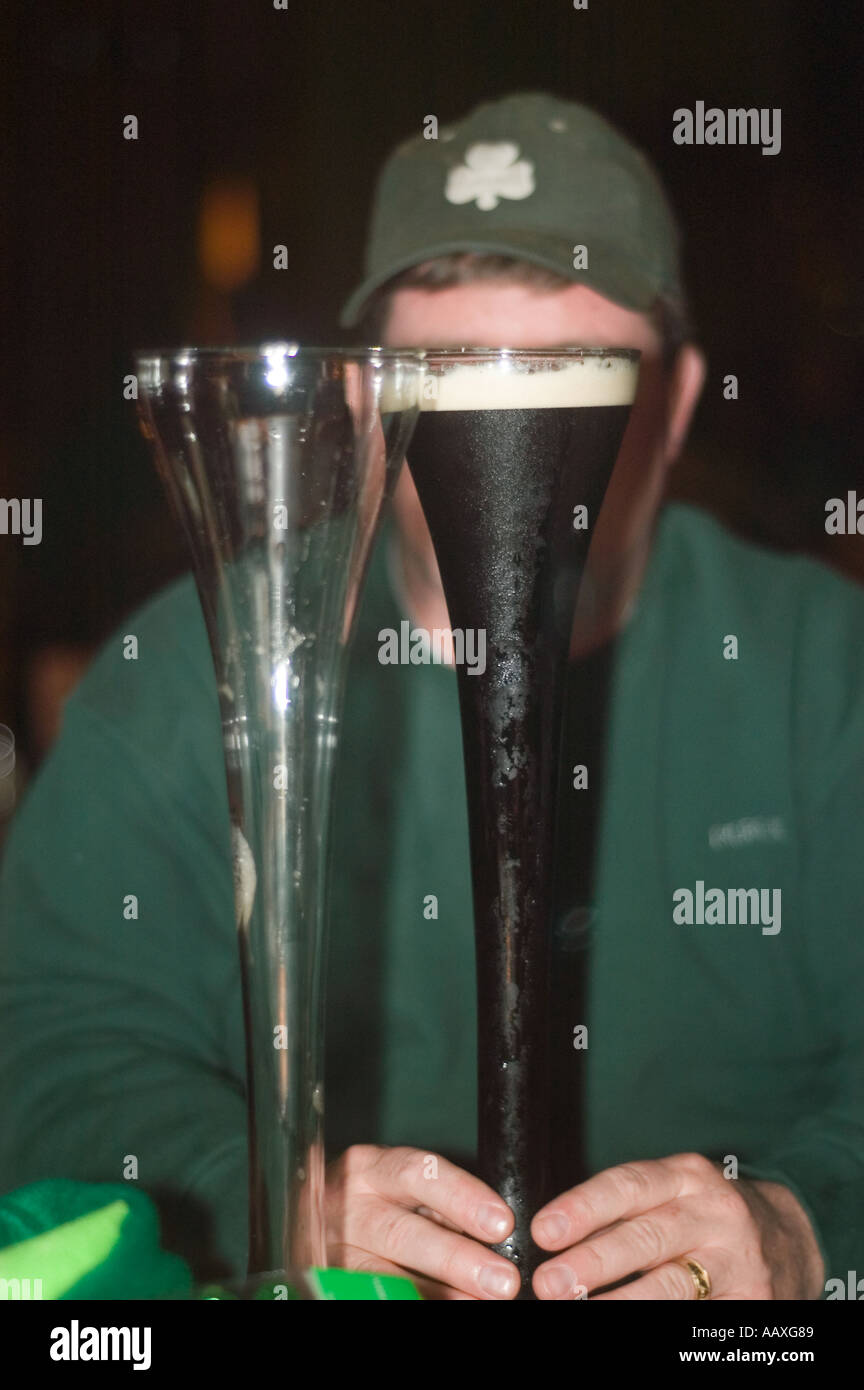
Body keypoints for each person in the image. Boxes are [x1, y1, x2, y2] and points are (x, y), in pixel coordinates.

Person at [1, 92, 861, 1301]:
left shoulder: (823, 670)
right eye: (448, 369)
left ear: (670, 409)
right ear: (366, 401)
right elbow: (46, 1042)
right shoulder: (193, 669)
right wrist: (273, 1198)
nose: (507, 413)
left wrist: (806, 1228)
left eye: (566, 370)